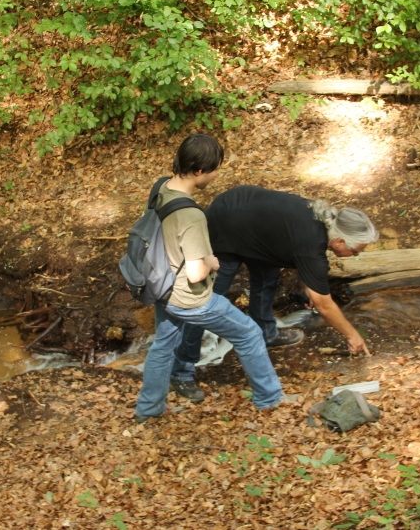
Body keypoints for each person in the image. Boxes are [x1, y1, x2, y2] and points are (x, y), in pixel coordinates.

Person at [169, 185, 378, 403]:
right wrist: (352, 335)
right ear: (339, 241)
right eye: (355, 251)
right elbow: (324, 305)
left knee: (267, 276)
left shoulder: (322, 222)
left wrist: (308, 284)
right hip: (225, 225)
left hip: (254, 226)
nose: (355, 255)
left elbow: (302, 256)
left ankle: (266, 333)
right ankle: (180, 370)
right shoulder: (311, 241)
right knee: (204, 304)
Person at [134, 135, 284, 422]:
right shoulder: (191, 215)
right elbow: (195, 274)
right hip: (189, 298)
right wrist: (211, 262)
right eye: (215, 169)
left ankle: (148, 411)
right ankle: (270, 400)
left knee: (163, 346)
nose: (216, 175)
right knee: (250, 333)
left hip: (160, 286)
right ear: (199, 171)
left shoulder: (161, 187)